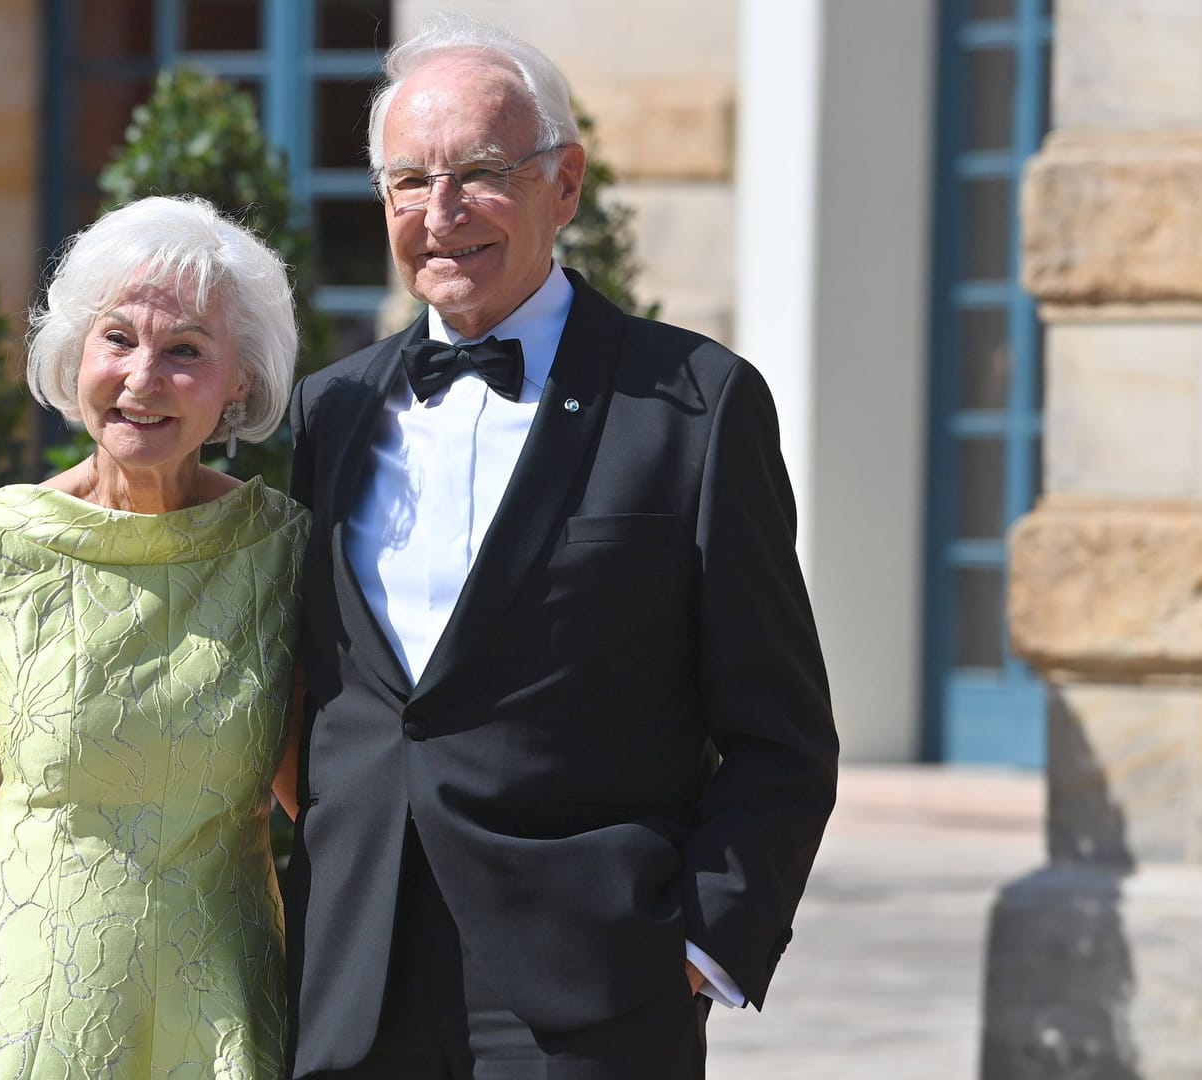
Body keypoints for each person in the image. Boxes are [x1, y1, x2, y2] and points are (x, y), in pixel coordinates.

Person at [276, 16, 839, 1078]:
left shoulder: (696, 405)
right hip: (352, 979)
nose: (439, 216)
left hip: (588, 988)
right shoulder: (328, 412)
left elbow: (783, 731)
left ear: (564, 184)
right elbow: (306, 691)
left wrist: (706, 940)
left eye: (480, 174)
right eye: (408, 183)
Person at [0, 194, 306, 1079]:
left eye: (185, 350)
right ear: (75, 356)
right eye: (117, 340)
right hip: (12, 1014)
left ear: (242, 383)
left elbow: (333, 797)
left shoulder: (284, 549)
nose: (142, 377)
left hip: (221, 1006)